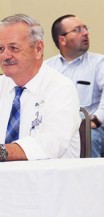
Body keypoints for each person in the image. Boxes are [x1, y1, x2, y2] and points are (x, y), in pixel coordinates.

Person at [0, 14, 81, 163]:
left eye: (13, 48)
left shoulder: (61, 88)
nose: (5, 55)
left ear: (38, 49)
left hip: (47, 182)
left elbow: (52, 144)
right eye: (1, 48)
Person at [45, 14, 104, 157]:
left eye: (85, 28)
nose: (85, 33)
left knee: (89, 138)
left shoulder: (99, 63)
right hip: (56, 126)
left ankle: (91, 179)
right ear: (62, 39)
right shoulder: (46, 68)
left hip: (89, 126)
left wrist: (94, 121)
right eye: (77, 30)